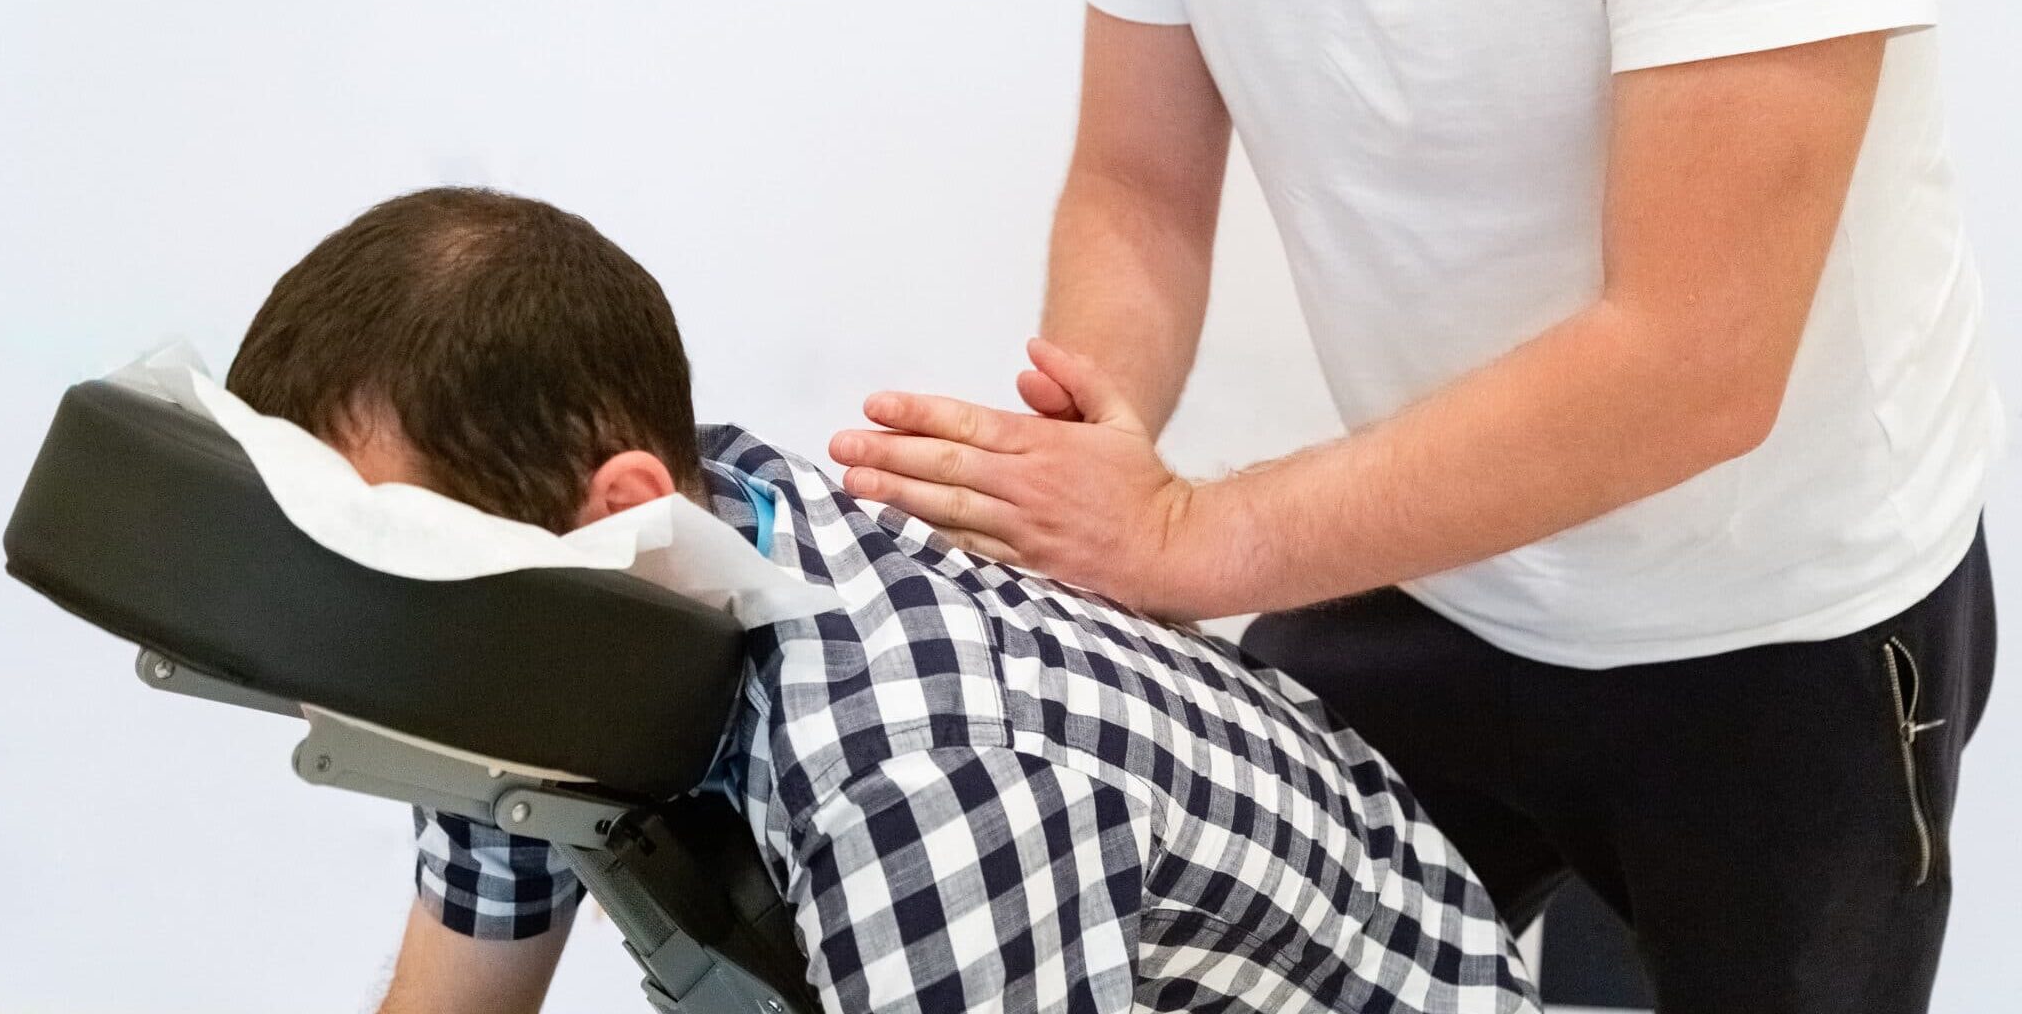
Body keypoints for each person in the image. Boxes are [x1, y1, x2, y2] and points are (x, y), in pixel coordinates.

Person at [829, 0, 2002, 1013]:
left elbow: (1696, 361)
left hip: (1780, 617)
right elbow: (1138, 185)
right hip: (1420, 556)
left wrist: (1178, 535)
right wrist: (1090, 436)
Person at [223, 187, 1541, 1014]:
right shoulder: (582, 608)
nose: (355, 628)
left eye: (385, 553)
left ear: (620, 508)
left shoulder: (911, 780)